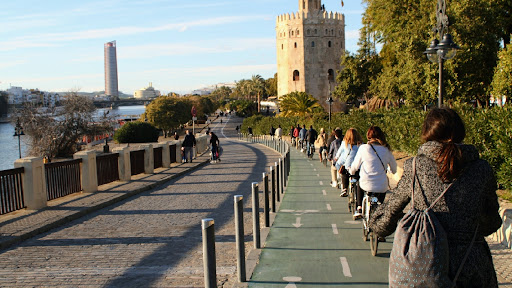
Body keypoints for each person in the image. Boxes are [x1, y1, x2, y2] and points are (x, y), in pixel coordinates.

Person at [369, 108, 502, 287]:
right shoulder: (481, 169)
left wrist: (376, 222)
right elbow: (492, 222)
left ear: (427, 133)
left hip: (426, 266)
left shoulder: (416, 167)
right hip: (473, 267)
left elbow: (385, 221)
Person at [350, 126, 397, 218]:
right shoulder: (386, 150)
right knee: (380, 204)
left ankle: (359, 208)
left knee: (359, 184)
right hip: (381, 186)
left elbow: (355, 166)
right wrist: (389, 170)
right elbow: (394, 170)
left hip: (366, 184)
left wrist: (352, 172)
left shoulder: (363, 148)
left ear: (368, 136)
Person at [335, 128, 363, 198]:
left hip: (347, 166)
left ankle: (344, 188)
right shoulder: (361, 144)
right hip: (358, 166)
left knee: (343, 171)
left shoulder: (344, 143)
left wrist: (336, 157)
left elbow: (339, 152)